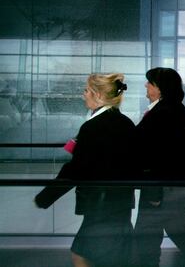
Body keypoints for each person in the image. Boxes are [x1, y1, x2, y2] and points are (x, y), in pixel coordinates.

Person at [34, 73, 137, 267]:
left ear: (97, 95)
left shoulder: (92, 127)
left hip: (100, 205)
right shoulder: (126, 123)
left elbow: (75, 169)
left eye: (86, 90)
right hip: (120, 202)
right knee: (104, 256)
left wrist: (45, 197)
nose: (83, 95)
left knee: (81, 254)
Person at [133, 67, 185, 267]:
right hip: (173, 183)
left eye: (149, 83)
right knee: (178, 229)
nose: (146, 85)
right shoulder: (171, 108)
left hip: (163, 186)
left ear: (160, 88)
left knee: (147, 232)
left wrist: (153, 193)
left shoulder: (164, 112)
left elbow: (157, 154)